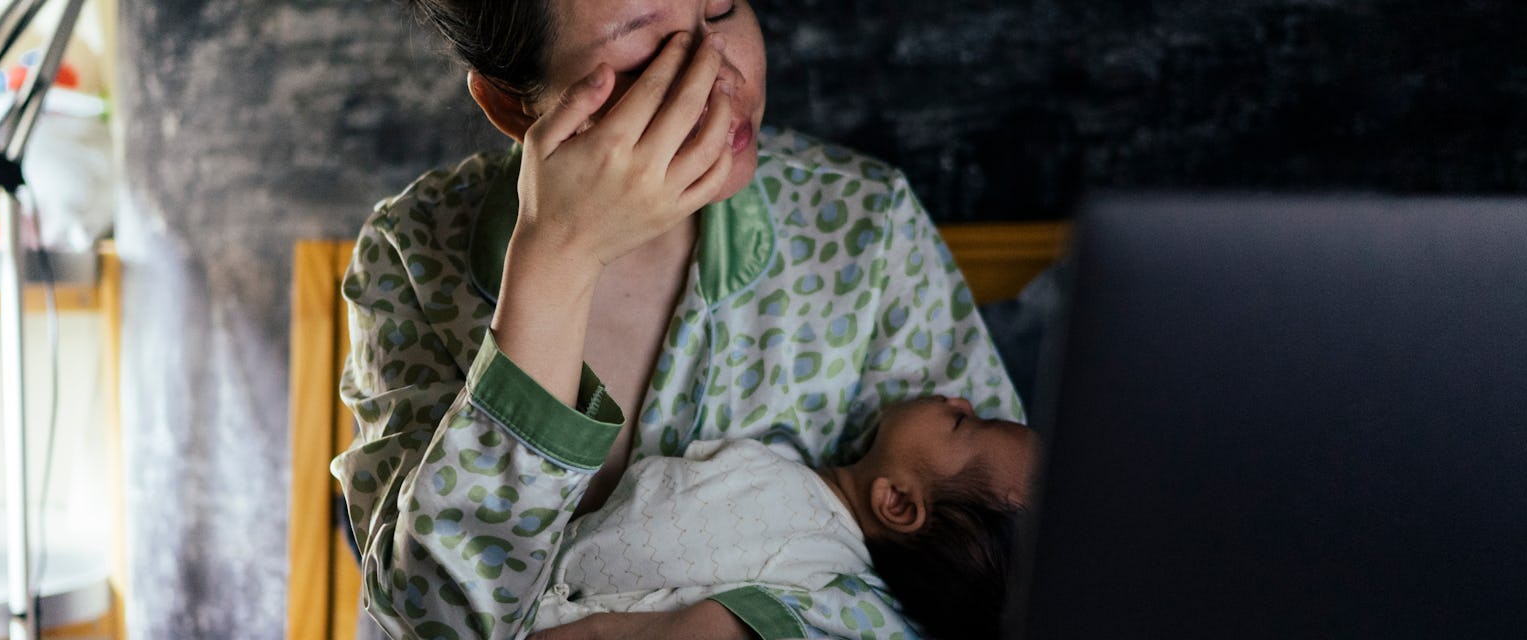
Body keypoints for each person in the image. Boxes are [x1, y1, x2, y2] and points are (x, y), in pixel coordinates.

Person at [331, 0, 1024, 637]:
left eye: (722, 7)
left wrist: (724, 626)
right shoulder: (413, 251)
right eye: (649, 46)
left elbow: (1000, 595)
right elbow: (432, 620)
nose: (719, 76)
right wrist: (556, 262)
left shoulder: (865, 227)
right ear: (513, 105)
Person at [529, 395, 1036, 640]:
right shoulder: (835, 579)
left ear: (898, 504)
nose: (961, 397)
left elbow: (603, 554)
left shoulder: (768, 496)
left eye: (963, 420)